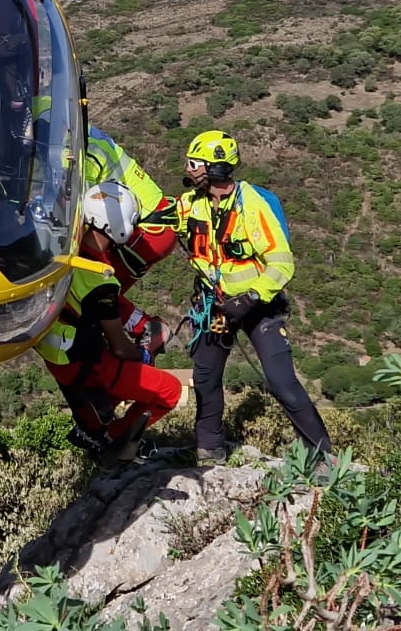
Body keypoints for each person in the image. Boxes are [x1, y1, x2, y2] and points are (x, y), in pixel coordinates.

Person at [173, 129, 332, 466]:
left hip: (258, 306)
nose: (188, 170)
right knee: (205, 377)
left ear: (216, 167)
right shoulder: (190, 205)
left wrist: (250, 297)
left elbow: (282, 262)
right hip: (214, 305)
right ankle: (209, 450)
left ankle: (322, 458)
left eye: (194, 164)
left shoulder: (254, 205)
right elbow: (159, 221)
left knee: (281, 381)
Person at [37, 181, 185, 469]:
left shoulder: (61, 253)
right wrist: (143, 354)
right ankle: (112, 439)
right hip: (91, 366)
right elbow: (120, 347)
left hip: (61, 359)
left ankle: (95, 426)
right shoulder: (101, 280)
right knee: (170, 390)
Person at [81, 126, 178, 347]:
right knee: (98, 295)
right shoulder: (65, 118)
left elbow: (74, 211)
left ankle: (147, 330)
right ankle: (139, 331)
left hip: (146, 228)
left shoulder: (80, 150)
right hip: (150, 225)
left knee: (88, 282)